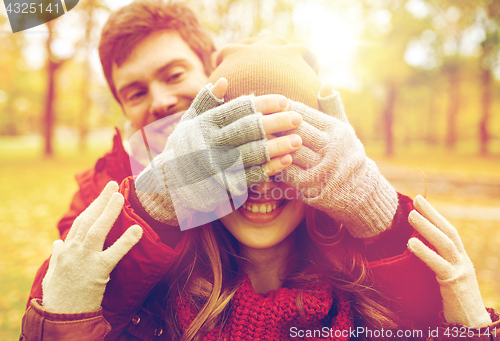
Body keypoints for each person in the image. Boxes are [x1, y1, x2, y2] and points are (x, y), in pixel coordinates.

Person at [21, 35, 500, 340]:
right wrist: (155, 202)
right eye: (238, 155)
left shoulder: (363, 298)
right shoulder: (155, 299)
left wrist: (379, 219)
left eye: (287, 155)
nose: (263, 180)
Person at [26, 0, 217, 305]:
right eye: (137, 93)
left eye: (174, 75)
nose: (160, 101)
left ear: (210, 68)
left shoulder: (270, 160)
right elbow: (48, 308)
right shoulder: (101, 190)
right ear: (124, 107)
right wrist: (147, 207)